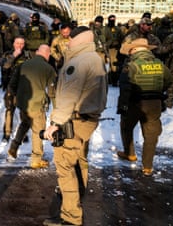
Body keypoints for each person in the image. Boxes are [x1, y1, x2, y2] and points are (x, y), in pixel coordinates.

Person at [42, 26, 107, 226]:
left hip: (74, 121)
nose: (67, 41)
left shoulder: (77, 63)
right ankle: (76, 200)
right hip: (88, 119)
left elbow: (68, 98)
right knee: (80, 161)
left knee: (64, 166)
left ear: (78, 40)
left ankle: (71, 217)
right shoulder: (96, 58)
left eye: (71, 38)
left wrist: (54, 124)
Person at [116, 38, 172, 176]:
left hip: (134, 102)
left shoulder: (131, 66)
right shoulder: (160, 65)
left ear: (134, 50)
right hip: (154, 103)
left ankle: (130, 154)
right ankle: (147, 166)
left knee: (126, 127)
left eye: (130, 50)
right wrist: (158, 92)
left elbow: (124, 87)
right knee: (151, 134)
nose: (129, 53)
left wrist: (122, 106)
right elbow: (169, 81)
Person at [7, 45, 56, 168]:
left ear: (37, 52)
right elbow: (52, 92)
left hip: (23, 103)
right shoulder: (49, 69)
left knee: (24, 124)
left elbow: (12, 84)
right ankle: (36, 159)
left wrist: (16, 97)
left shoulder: (23, 64)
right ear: (47, 54)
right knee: (38, 131)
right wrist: (56, 108)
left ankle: (13, 147)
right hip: (38, 104)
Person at [0, 36, 33, 142]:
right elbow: (4, 66)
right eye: (17, 43)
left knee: (24, 111)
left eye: (22, 43)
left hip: (23, 87)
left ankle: (22, 133)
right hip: (11, 86)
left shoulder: (28, 56)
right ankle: (7, 133)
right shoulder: (7, 54)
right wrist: (14, 56)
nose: (19, 46)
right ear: (14, 44)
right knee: (10, 110)